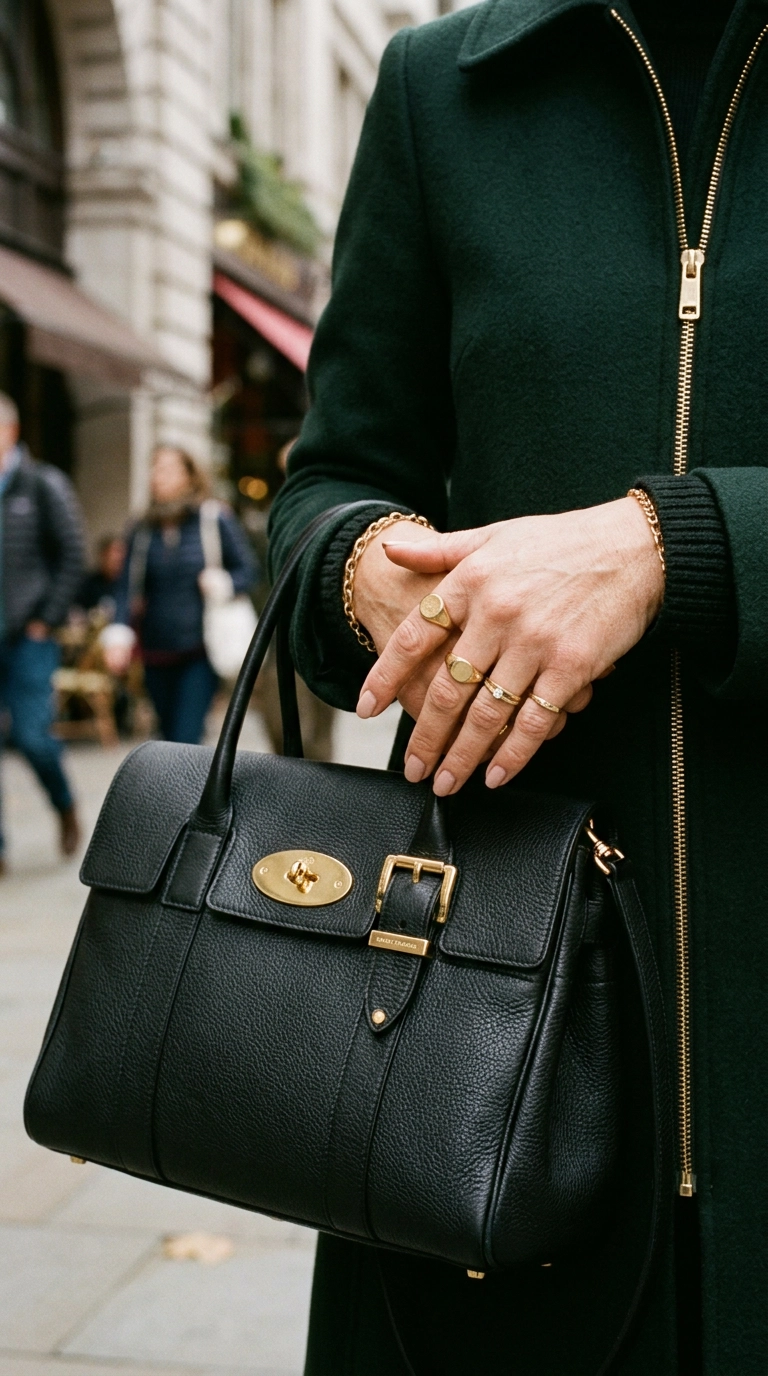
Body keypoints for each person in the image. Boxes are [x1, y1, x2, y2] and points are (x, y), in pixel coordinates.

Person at [267, 0, 765, 1372]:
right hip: (481, 1048)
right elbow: (330, 479)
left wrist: (674, 546)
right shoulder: (445, 89)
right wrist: (366, 567)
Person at [104, 446, 255, 745]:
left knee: (185, 738)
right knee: (167, 736)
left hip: (200, 649)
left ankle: (190, 776)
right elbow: (126, 587)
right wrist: (118, 634)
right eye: (155, 468)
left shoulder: (213, 519)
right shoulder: (141, 528)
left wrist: (223, 582)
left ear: (189, 476)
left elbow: (249, 570)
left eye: (168, 469)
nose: (158, 476)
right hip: (155, 649)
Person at [0, 392, 85, 872]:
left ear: (10, 431)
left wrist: (45, 619)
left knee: (32, 736)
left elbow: (73, 554)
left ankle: (63, 802)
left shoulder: (41, 485)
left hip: (27, 638)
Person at [77, 535, 126, 618]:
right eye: (115, 553)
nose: (119, 558)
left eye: (122, 554)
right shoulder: (87, 585)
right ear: (103, 555)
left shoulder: (126, 588)